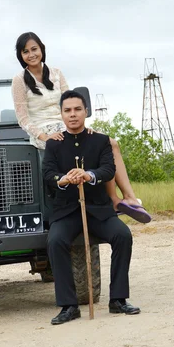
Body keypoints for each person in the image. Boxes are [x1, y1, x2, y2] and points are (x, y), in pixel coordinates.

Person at [12, 32, 151, 223]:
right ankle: (112, 200)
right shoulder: (19, 80)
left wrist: (86, 129)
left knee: (109, 143)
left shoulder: (56, 73)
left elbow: (71, 103)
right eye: (25, 51)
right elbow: (23, 118)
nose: (31, 54)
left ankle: (126, 198)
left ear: (42, 49)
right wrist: (45, 136)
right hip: (43, 131)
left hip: (67, 124)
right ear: (20, 56)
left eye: (34, 49)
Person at [42, 90, 142, 325]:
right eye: (67, 110)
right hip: (66, 211)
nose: (73, 115)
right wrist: (65, 179)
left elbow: (108, 169)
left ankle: (118, 300)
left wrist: (89, 174)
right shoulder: (54, 144)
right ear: (61, 114)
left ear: (86, 111)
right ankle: (68, 306)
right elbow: (48, 174)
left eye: (77, 109)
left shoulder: (100, 140)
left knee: (122, 235)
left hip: (98, 210)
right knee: (55, 241)